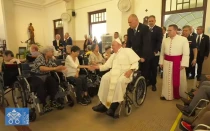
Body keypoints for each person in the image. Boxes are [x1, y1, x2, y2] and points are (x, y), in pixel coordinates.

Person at [91, 38, 140, 118]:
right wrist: (97, 67)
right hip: (114, 72)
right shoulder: (113, 55)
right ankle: (104, 104)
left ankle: (113, 107)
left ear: (119, 45)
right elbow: (106, 66)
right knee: (104, 78)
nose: (111, 47)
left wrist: (131, 70)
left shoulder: (127, 51)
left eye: (113, 45)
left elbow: (135, 62)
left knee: (119, 81)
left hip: (125, 73)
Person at [30, 46, 66, 112]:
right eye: (51, 52)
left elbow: (55, 67)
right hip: (37, 76)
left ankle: (53, 101)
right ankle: (44, 104)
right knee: (41, 86)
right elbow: (42, 68)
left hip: (46, 75)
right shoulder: (40, 57)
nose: (53, 53)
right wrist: (55, 68)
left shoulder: (50, 58)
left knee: (53, 82)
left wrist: (61, 69)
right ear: (46, 52)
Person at [159, 24, 189, 100]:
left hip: (178, 63)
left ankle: (179, 94)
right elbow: (162, 52)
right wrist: (161, 62)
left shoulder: (183, 39)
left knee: (178, 79)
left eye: (170, 30)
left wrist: (184, 64)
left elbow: (186, 53)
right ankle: (166, 95)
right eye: (168, 30)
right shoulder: (165, 40)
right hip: (167, 62)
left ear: (175, 30)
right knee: (167, 79)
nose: (168, 32)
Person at [126, 14, 153, 82]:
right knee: (135, 72)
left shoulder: (144, 28)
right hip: (135, 55)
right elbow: (128, 44)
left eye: (130, 22)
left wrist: (143, 57)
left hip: (144, 55)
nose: (129, 24)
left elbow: (146, 44)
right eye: (128, 22)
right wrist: (126, 53)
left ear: (136, 20)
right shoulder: (129, 30)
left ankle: (144, 86)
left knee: (144, 73)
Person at [147, 15, 163, 91]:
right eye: (149, 21)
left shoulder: (158, 29)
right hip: (146, 53)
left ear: (155, 21)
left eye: (152, 21)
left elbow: (159, 41)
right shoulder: (145, 29)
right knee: (147, 68)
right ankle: (149, 81)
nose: (150, 22)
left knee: (153, 69)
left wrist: (156, 50)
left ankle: (154, 84)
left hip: (154, 53)